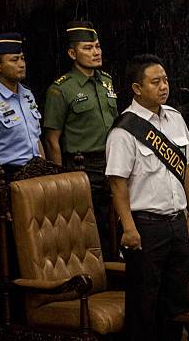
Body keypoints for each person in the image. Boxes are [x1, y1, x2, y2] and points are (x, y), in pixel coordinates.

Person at [105, 54, 189, 341]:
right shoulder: (124, 130)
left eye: (166, 80)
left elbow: (187, 168)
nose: (164, 86)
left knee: (175, 299)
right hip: (145, 226)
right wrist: (128, 228)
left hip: (176, 222)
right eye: (155, 82)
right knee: (144, 302)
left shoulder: (174, 117)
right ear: (137, 88)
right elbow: (117, 185)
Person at [43, 21, 118, 257]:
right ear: (72, 53)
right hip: (81, 165)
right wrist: (60, 179)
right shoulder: (60, 89)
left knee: (115, 222)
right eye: (88, 48)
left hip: (112, 161)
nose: (96, 52)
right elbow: (52, 139)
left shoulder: (106, 81)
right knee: (89, 227)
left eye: (97, 46)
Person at [0, 32, 44, 181]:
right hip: (10, 177)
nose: (22, 64)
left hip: (38, 173)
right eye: (14, 60)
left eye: (22, 59)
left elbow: (36, 139)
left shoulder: (27, 94)